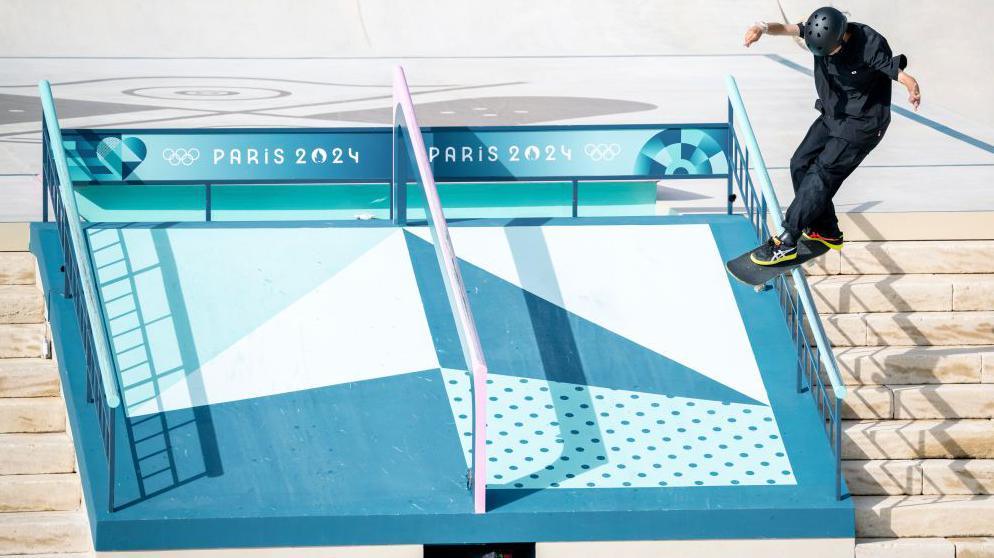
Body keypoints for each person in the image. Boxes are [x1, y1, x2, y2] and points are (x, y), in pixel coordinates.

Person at [742, 7, 921, 265]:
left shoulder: (869, 44)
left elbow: (899, 74)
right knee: (800, 163)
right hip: (833, 115)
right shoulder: (819, 29)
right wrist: (761, 27)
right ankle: (825, 229)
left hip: (862, 125)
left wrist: (912, 87)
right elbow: (791, 29)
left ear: (841, 36)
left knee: (822, 173)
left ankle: (787, 240)